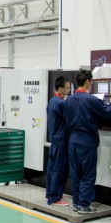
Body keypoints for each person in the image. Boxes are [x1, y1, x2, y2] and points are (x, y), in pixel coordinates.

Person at [64, 69, 111, 214]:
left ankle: (77, 202)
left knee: (75, 173)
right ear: (88, 81)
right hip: (86, 141)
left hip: (72, 141)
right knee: (87, 174)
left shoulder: (69, 100)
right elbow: (109, 113)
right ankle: (84, 205)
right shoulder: (91, 100)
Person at [46, 77, 71, 206]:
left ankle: (50, 193)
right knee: (59, 170)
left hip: (54, 140)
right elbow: (69, 121)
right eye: (67, 88)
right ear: (60, 88)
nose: (69, 90)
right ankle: (55, 198)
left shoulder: (52, 101)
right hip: (61, 141)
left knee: (52, 169)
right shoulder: (61, 103)